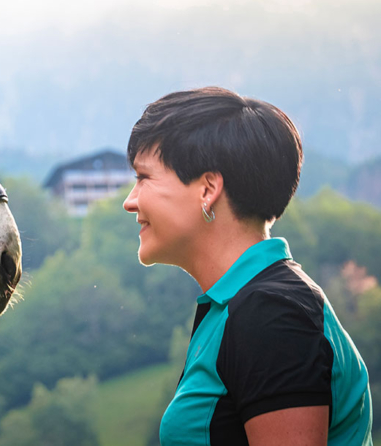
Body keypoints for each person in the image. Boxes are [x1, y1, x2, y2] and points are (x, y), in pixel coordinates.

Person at [123, 87, 372, 446]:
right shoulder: (239, 307)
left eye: (143, 177)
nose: (130, 202)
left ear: (208, 189)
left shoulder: (271, 314)